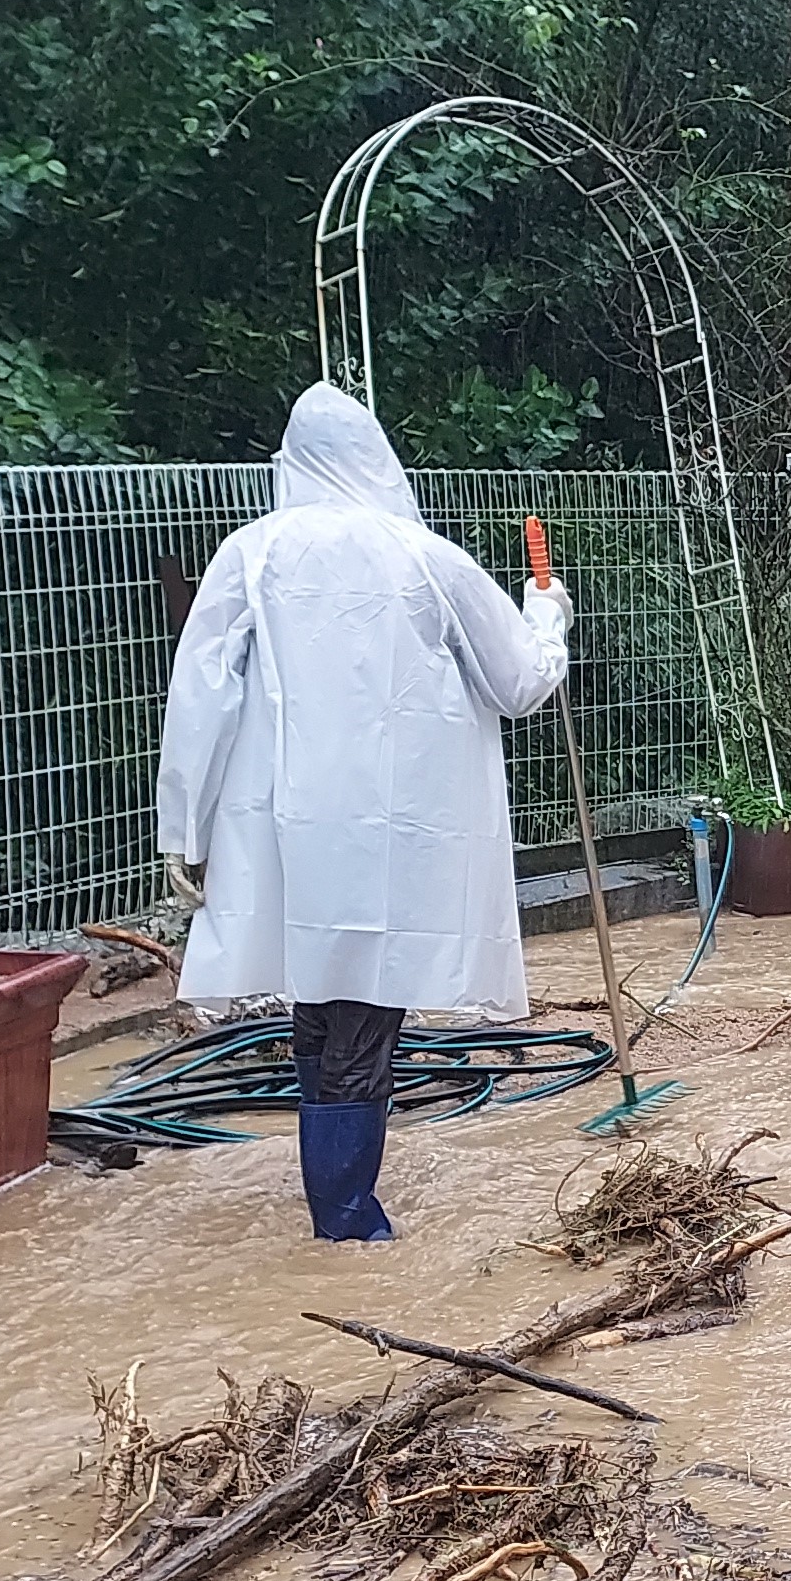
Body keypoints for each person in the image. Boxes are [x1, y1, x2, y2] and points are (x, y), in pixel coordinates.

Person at [155, 382, 573, 1241]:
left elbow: (195, 700)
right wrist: (548, 615)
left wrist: (183, 829)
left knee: (321, 994)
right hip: (396, 835)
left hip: (281, 831)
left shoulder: (251, 554)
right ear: (380, 461)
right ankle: (344, 1222)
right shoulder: (426, 557)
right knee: (360, 1006)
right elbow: (521, 682)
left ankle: (335, 1198)